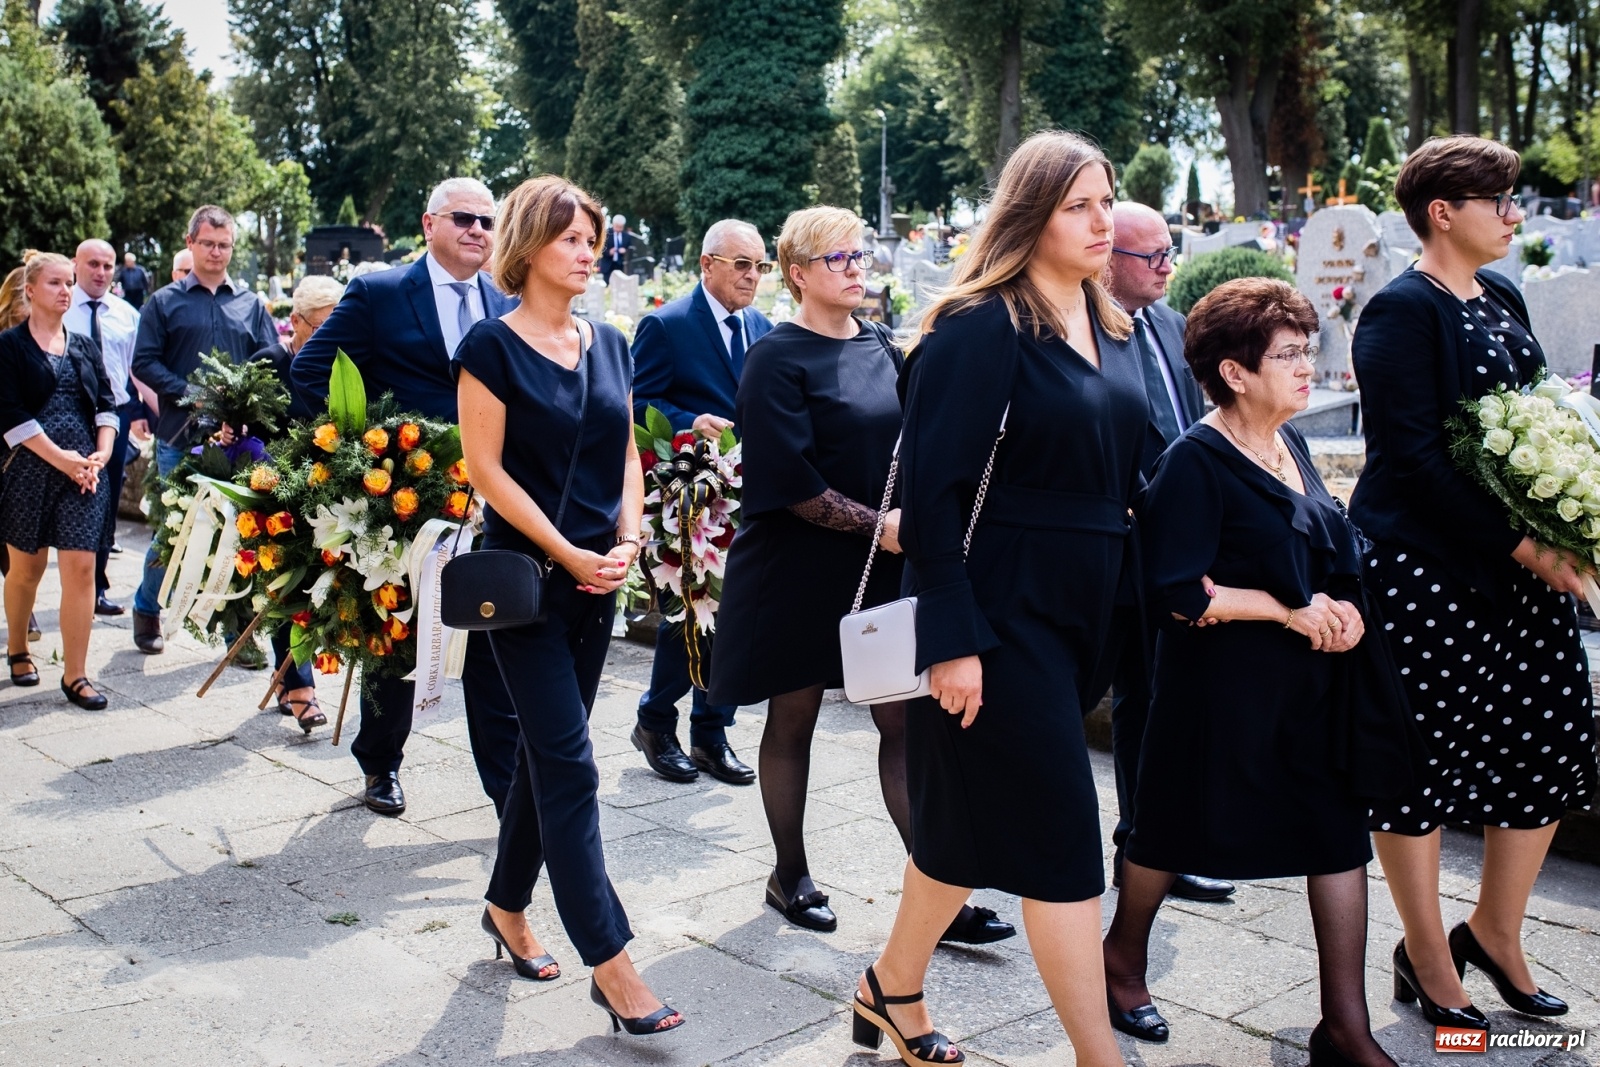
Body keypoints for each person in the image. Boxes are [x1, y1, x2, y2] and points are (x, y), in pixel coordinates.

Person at [856, 131, 1142, 1067]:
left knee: (959, 837)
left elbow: (1136, 472)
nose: (1101, 221)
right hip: (999, 615)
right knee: (1064, 844)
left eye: (1107, 201)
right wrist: (953, 638)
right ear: (1030, 215)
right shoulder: (980, 326)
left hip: (1086, 613)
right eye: (1077, 205)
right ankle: (1099, 1057)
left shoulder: (1118, 324)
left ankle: (890, 986)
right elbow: (933, 496)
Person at [1104, 279, 1415, 1067]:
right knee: (1165, 834)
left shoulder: (1290, 444)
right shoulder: (1194, 461)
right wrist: (1288, 610)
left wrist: (1346, 609)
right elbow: (1178, 592)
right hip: (1220, 696)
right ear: (1235, 372)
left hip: (1312, 692)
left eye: (1307, 347)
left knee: (1338, 840)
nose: (1307, 365)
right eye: (1287, 353)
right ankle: (1121, 960)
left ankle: (1344, 1026)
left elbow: (1331, 550)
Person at [708, 206, 1013, 949]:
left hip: (882, 565)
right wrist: (882, 525)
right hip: (797, 568)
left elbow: (916, 441)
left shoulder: (879, 342)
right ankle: (789, 874)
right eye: (837, 257)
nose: (855, 268)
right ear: (798, 274)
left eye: (859, 255)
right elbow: (790, 482)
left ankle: (938, 889)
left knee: (902, 722)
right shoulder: (774, 358)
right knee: (794, 718)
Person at [1351, 135, 1593, 1029]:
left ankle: (1494, 932)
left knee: (1550, 741)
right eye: (1499, 200)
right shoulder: (1398, 312)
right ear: (1443, 212)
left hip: (1522, 573)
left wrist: (1570, 512)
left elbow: (1539, 419)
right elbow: (1412, 461)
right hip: (1430, 574)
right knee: (1420, 765)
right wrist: (1528, 547)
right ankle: (1427, 957)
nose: (1514, 214)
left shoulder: (1503, 296)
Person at [455, 174, 682, 1037]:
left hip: (599, 584)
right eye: (571, 239)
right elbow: (487, 470)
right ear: (529, 246)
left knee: (546, 759)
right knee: (572, 765)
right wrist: (566, 549)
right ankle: (613, 965)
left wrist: (628, 537)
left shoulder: (610, 341)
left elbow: (625, 452)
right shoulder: (490, 345)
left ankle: (505, 905)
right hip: (525, 588)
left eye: (593, 238)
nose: (589, 252)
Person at [293, 177, 521, 818]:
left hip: (494, 498)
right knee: (397, 639)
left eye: (488, 221)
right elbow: (310, 372)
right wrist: (367, 460)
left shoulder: (505, 296)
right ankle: (380, 762)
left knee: (492, 640)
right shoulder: (381, 292)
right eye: (464, 218)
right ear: (429, 224)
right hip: (407, 505)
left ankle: (506, 791)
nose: (478, 230)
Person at [1098, 202, 1234, 905]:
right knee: (1137, 698)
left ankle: (1157, 844)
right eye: (1151, 256)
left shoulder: (1174, 325)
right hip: (1118, 547)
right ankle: (1139, 846)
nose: (1167, 266)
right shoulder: (1090, 331)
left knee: (1170, 699)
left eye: (1169, 251)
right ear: (1108, 259)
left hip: (1185, 544)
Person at [628, 219, 773, 785]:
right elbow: (638, 404)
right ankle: (655, 722)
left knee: (738, 618)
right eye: (742, 264)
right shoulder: (665, 326)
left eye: (760, 266)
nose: (752, 276)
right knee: (687, 615)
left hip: (748, 493)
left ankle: (711, 732)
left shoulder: (761, 325)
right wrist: (692, 422)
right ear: (707, 264)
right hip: (688, 498)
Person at [128, 206, 278, 658]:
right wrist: (192, 394)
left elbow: (268, 363)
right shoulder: (164, 302)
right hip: (181, 436)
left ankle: (236, 634)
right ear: (190, 243)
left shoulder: (251, 305)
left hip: (240, 440)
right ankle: (146, 607)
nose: (216, 252)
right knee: (175, 530)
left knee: (240, 533)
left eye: (224, 245)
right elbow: (143, 362)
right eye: (208, 243)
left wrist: (248, 405)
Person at [0, 252, 118, 710]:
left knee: (82, 568)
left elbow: (106, 404)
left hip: (83, 475)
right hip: (29, 471)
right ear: (30, 290)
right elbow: (9, 414)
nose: (65, 290)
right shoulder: (9, 346)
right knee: (26, 571)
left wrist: (101, 455)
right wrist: (61, 460)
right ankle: (18, 648)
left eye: (69, 283)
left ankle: (76, 675)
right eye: (55, 283)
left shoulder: (84, 345)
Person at [247, 275, 345, 734]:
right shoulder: (269, 363)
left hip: (325, 494)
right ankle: (302, 687)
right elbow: (246, 428)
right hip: (275, 494)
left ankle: (286, 677)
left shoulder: (341, 367)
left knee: (314, 592)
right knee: (288, 589)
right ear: (296, 321)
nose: (329, 337)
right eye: (321, 327)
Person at [65, 239, 144, 618]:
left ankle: (96, 585)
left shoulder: (127, 315)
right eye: (93, 264)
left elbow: (135, 370)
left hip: (114, 415)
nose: (101, 272)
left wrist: (142, 413)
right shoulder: (61, 309)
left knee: (105, 501)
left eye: (108, 266)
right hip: (67, 414)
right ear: (75, 265)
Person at [601, 214, 640, 281]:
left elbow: (631, 250)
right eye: (617, 226)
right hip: (608, 265)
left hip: (621, 266)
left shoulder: (627, 236)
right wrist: (609, 252)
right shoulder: (605, 234)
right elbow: (600, 249)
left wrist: (625, 251)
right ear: (613, 224)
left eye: (620, 227)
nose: (618, 229)